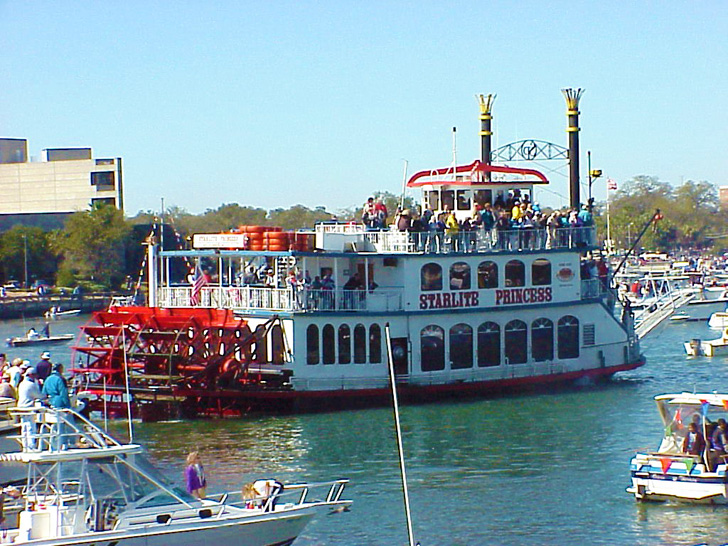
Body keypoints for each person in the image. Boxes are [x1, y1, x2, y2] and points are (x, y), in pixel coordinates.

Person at [18, 367, 45, 450]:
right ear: (31, 375)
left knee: (24, 427)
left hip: (20, 407)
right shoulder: (31, 385)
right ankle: (31, 446)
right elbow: (39, 395)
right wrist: (46, 396)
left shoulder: (21, 383)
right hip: (28, 407)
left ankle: (25, 446)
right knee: (30, 427)